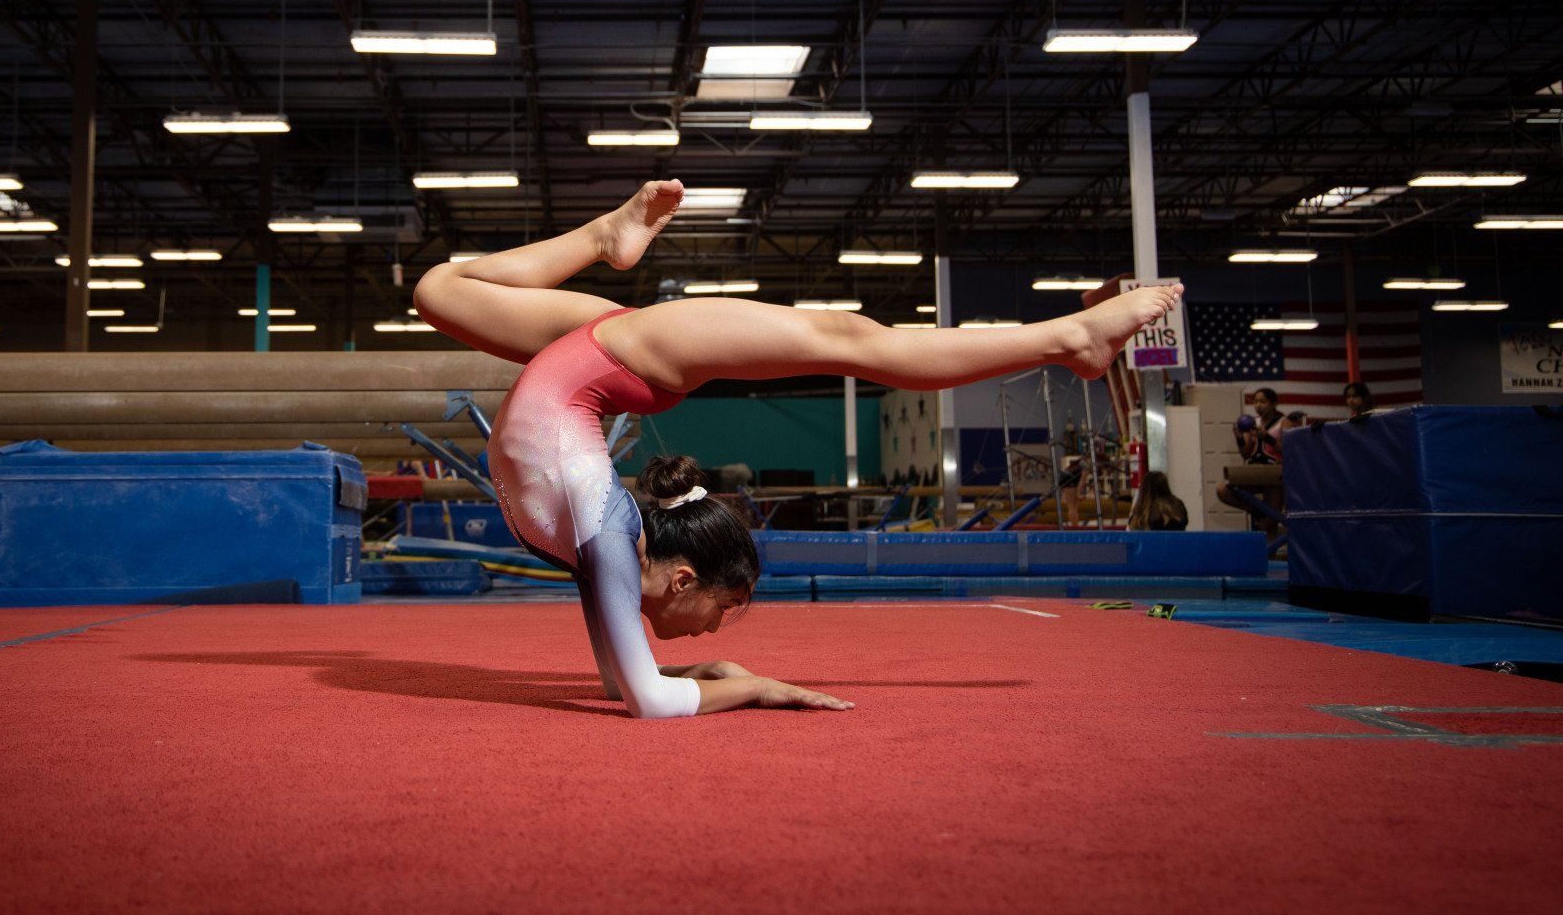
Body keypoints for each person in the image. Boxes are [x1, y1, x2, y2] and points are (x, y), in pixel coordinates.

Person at [414, 179, 1185, 719]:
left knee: (846, 338)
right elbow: (633, 684)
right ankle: (604, 236)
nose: (712, 634)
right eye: (722, 621)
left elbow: (635, 693)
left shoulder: (605, 547)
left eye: (715, 621)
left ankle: (1069, 340)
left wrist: (733, 682)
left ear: (681, 577)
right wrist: (729, 680)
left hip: (606, 361)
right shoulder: (603, 542)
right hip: (603, 363)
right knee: (437, 292)